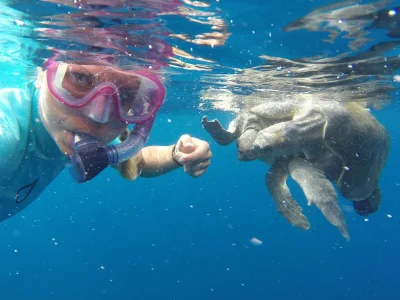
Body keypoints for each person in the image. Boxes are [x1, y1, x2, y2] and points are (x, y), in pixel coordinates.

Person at [0, 59, 211, 222]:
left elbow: (136, 161)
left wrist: (176, 154)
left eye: (127, 92)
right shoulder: (7, 131)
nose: (98, 115)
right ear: (41, 73)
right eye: (80, 79)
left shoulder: (69, 129)